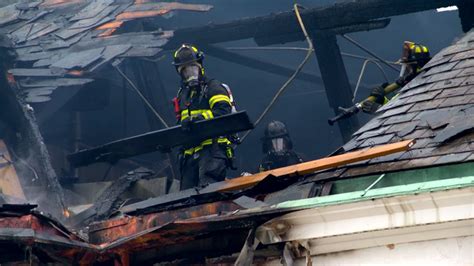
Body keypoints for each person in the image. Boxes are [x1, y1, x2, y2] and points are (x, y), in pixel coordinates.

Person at [172, 44, 235, 190]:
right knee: (185, 197)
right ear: (180, 73)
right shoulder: (182, 95)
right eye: (186, 71)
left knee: (207, 192)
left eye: (193, 68)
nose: (191, 74)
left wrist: (200, 119)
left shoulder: (213, 87)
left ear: (200, 67)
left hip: (212, 150)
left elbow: (224, 112)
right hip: (189, 155)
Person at [361, 41, 431, 114]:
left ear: (413, 66)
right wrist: (381, 100)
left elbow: (405, 115)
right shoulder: (416, 85)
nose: (405, 71)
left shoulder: (418, 88)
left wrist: (379, 109)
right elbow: (396, 104)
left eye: (406, 66)